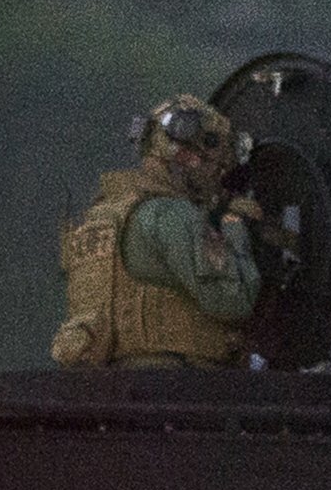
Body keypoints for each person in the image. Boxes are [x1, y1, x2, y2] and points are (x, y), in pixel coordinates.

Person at [52, 93, 262, 369]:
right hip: (175, 385)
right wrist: (235, 227)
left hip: (111, 388)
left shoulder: (100, 217)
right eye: (217, 167)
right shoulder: (172, 214)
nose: (218, 178)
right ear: (191, 157)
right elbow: (232, 301)